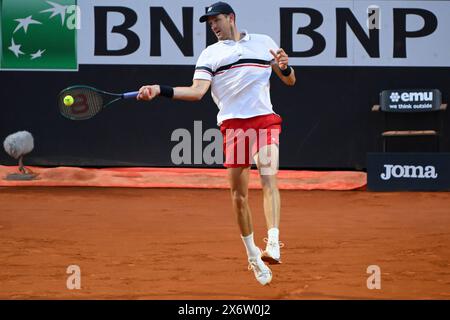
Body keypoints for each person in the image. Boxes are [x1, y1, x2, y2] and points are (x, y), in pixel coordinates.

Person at [137, 1, 296, 285]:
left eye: (216, 20)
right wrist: (160, 90)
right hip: (233, 126)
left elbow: (290, 81)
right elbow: (197, 92)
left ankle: (273, 241)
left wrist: (284, 67)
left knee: (269, 176)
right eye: (209, 23)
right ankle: (252, 256)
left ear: (231, 18)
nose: (213, 26)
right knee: (239, 196)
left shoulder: (264, 43)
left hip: (264, 120)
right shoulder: (210, 54)